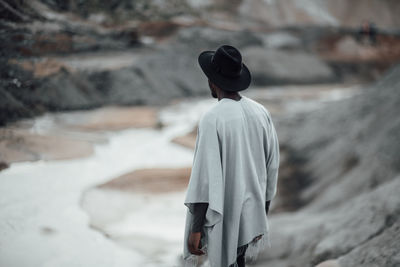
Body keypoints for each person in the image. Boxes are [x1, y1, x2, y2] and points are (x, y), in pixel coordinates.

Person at [182, 45, 280, 267]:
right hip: (253, 211)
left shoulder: (212, 118)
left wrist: (195, 228)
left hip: (225, 213)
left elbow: (203, 179)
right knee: (240, 261)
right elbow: (272, 166)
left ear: (212, 80)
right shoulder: (260, 111)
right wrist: (262, 211)